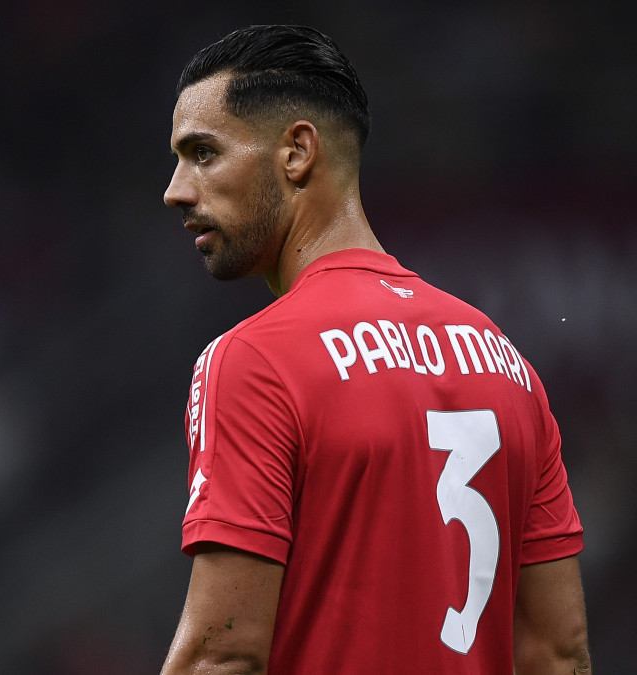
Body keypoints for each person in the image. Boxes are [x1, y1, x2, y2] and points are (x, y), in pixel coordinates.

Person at [159, 25, 590, 674]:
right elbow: (559, 654)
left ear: (297, 152)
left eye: (202, 153)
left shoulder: (256, 363)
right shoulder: (509, 366)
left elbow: (220, 654)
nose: (176, 190)